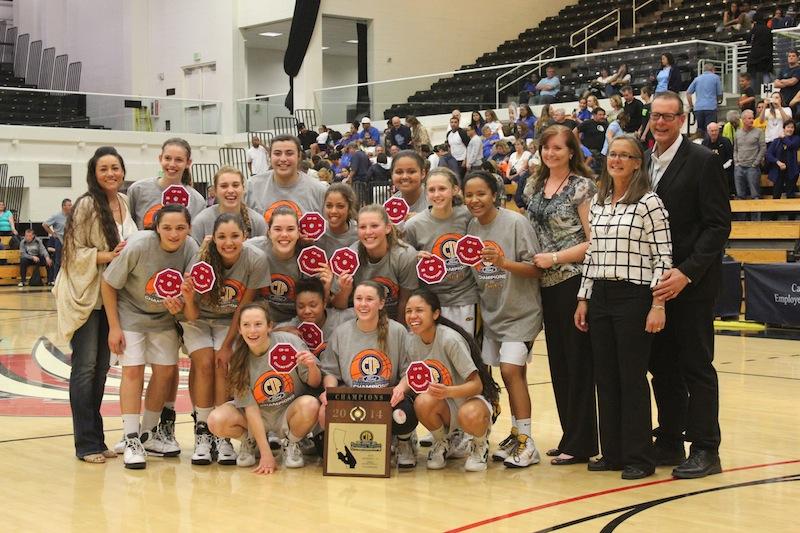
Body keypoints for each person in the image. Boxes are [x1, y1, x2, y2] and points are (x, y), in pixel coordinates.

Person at [575, 134, 672, 480]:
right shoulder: (599, 202)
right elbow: (592, 253)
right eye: (612, 154)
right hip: (600, 295)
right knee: (606, 377)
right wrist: (584, 297)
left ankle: (639, 457)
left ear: (637, 163)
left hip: (635, 296)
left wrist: (657, 304)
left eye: (625, 155)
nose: (616, 160)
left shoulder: (650, 202)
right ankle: (612, 452)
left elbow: (663, 258)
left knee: (631, 378)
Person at [645, 91, 731, 479]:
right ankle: (668, 439)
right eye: (655, 116)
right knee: (661, 366)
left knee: (695, 365)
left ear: (682, 120)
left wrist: (687, 272)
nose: (660, 123)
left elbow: (718, 226)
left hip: (691, 285)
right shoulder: (643, 163)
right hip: (654, 285)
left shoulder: (703, 161)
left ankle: (705, 448)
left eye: (668, 117)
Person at [101, 204, 199, 469]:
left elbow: (190, 292)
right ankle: (131, 437)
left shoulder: (191, 248)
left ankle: (147, 433)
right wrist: (114, 327)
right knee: (132, 372)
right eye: (167, 227)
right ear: (156, 228)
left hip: (163, 319)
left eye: (180, 228)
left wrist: (181, 301)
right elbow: (108, 283)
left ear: (188, 228)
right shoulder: (140, 246)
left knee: (166, 372)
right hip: (131, 313)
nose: (174, 233)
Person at [55, 146, 137, 464]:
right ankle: (85, 443)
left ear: (122, 170)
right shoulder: (87, 205)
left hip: (112, 297)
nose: (110, 174)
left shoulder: (125, 202)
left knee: (102, 369)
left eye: (115, 167)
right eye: (104, 169)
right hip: (86, 295)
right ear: (94, 172)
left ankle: (97, 438)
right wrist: (109, 256)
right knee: (85, 368)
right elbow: (72, 253)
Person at [526, 125, 598, 466]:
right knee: (559, 363)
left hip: (574, 280)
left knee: (579, 362)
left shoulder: (582, 187)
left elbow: (593, 240)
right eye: (546, 148)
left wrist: (555, 258)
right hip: (546, 285)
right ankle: (571, 434)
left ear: (572, 151)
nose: (551, 153)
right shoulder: (534, 185)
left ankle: (583, 441)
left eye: (558, 148)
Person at [463, 170, 543, 468]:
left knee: (512, 371)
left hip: (521, 312)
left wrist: (503, 262)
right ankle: (513, 433)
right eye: (469, 195)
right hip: (492, 314)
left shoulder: (515, 223)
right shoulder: (470, 227)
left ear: (495, 194)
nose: (474, 200)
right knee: (493, 375)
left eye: (480, 193)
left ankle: (527, 441)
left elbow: (536, 269)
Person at [181, 213, 268, 465]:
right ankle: (202, 431)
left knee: (222, 364)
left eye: (234, 236)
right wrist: (187, 298)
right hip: (196, 320)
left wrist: (228, 344)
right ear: (213, 239)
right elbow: (192, 313)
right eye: (221, 236)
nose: (228, 242)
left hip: (229, 321)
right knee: (205, 363)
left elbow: (243, 307)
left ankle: (221, 436)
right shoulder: (201, 260)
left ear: (245, 237)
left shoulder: (255, 259)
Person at [207, 302, 321, 473]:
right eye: (246, 325)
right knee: (216, 420)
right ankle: (251, 442)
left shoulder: (290, 342)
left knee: (311, 405)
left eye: (258, 324)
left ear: (269, 326)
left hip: (287, 412)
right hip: (257, 415)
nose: (252, 330)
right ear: (239, 329)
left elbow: (314, 383)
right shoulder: (238, 359)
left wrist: (312, 367)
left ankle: (291, 442)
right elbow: (250, 408)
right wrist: (266, 453)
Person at [320, 281, 418, 467]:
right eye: (358, 299)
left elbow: (409, 371)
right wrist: (330, 391)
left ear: (381, 303)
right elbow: (331, 371)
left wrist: (400, 388)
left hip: (388, 398)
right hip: (354, 397)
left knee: (402, 413)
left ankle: (403, 441)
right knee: (325, 411)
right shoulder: (341, 332)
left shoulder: (397, 331)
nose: (363, 304)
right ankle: (348, 450)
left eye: (369, 299)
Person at [404, 289, 500, 471]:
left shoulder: (450, 340)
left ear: (436, 313)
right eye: (409, 311)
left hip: (472, 402)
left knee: (468, 413)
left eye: (419, 310)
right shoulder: (412, 341)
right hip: (447, 406)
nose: (413, 315)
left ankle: (479, 445)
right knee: (422, 402)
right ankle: (443, 441)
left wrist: (448, 391)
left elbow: (477, 385)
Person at [404, 167, 479, 335]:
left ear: (455, 190)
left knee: (466, 351)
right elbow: (401, 258)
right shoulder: (413, 225)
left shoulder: (468, 217)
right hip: (432, 301)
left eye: (442, 189)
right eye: (431, 190)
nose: (437, 194)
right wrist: (413, 256)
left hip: (465, 297)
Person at [248, 206, 333, 324]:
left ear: (299, 232)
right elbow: (229, 246)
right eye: (277, 229)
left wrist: (326, 287)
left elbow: (317, 307)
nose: (284, 234)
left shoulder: (310, 257)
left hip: (296, 321)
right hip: (261, 321)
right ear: (269, 232)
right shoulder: (254, 248)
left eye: (290, 229)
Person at [333, 205, 418, 322]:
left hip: (395, 319)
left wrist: (399, 332)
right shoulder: (350, 257)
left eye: (374, 226)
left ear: (387, 228)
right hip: (362, 319)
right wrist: (344, 291)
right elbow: (339, 307)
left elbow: (405, 301)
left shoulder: (405, 255)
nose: (368, 232)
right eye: (362, 227)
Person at [245, 135, 327, 222]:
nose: (283, 159)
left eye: (289, 153)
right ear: (270, 156)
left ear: (299, 156)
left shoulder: (319, 191)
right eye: (277, 153)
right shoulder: (252, 187)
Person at [191, 166, 266, 244]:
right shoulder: (201, 222)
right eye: (224, 186)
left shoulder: (257, 222)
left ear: (243, 189)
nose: (230, 190)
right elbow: (194, 255)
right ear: (215, 191)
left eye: (235, 185)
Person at [316, 183, 359, 257]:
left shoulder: (359, 233)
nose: (333, 211)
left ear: (349, 208)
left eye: (340, 206)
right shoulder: (316, 233)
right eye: (329, 206)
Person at [765, 119, 800, 199]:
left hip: (791, 170)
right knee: (776, 194)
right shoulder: (776, 141)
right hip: (778, 170)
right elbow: (768, 154)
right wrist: (777, 162)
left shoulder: (796, 139)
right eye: (788, 127)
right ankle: (776, 211)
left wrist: (784, 138)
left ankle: (791, 211)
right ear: (784, 128)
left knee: (790, 194)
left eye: (792, 127)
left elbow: (791, 145)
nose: (790, 129)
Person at [42, 198, 72, 284]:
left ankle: (68, 279)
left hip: (69, 240)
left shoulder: (72, 216)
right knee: (59, 260)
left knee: (70, 260)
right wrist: (52, 233)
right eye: (69, 205)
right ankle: (56, 279)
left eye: (71, 205)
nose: (71, 206)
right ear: (64, 206)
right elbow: (45, 224)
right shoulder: (56, 216)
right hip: (59, 239)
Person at [687, 64, 723, 134]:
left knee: (700, 131)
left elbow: (688, 93)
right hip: (711, 107)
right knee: (710, 130)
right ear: (713, 70)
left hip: (698, 108)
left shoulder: (697, 79)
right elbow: (719, 93)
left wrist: (691, 106)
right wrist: (718, 100)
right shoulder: (716, 78)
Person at [702, 122, 735, 195]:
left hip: (725, 170)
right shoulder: (705, 142)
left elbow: (730, 158)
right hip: (710, 171)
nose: (714, 133)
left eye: (716, 130)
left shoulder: (725, 141)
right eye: (712, 131)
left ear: (719, 131)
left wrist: (721, 167)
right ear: (708, 132)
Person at [747, 11, 774, 92]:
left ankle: (752, 93)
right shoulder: (768, 30)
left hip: (755, 55)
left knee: (752, 75)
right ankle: (767, 93)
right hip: (767, 55)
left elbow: (748, 39)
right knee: (766, 73)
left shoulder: (754, 29)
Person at [577, 106, 608, 175]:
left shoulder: (605, 124)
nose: (602, 116)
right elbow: (574, 132)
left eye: (603, 115)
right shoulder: (588, 123)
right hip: (589, 150)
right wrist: (579, 144)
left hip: (602, 152)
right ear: (594, 115)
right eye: (600, 115)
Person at [773, 50, 800, 114]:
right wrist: (788, 82)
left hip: (794, 101)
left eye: (793, 56)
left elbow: (793, 82)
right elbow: (775, 84)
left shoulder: (798, 69)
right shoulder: (783, 70)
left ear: (798, 58)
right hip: (783, 100)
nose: (791, 57)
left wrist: (782, 81)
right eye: (789, 56)